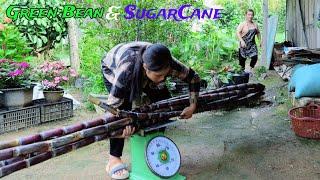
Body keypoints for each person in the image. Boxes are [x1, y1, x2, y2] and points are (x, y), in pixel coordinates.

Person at [101, 41, 200, 179]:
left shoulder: (167, 63)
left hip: (143, 68)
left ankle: (155, 143)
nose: (163, 78)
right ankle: (113, 159)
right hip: (111, 66)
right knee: (124, 111)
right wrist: (117, 130)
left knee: (164, 100)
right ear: (146, 68)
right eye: (159, 75)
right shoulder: (126, 71)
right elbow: (111, 109)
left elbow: (193, 78)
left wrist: (192, 105)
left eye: (165, 75)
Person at [236, 9, 261, 74]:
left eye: (252, 15)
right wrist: (241, 41)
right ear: (246, 15)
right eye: (249, 15)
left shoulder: (255, 24)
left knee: (255, 57)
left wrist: (260, 41)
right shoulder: (242, 24)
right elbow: (238, 32)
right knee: (242, 61)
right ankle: (242, 72)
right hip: (243, 45)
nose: (250, 16)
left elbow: (258, 33)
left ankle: (250, 69)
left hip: (252, 45)